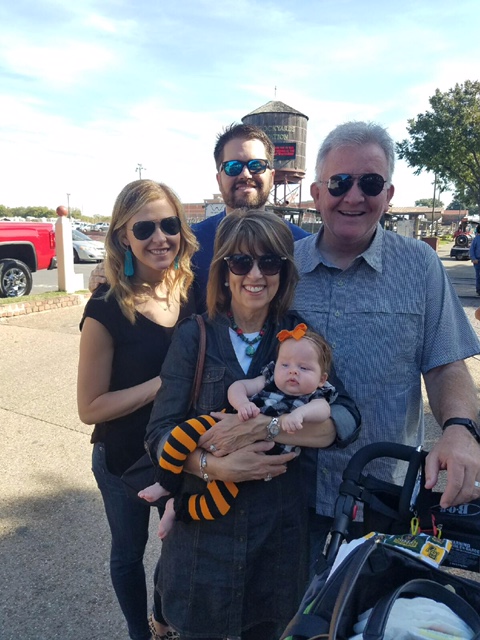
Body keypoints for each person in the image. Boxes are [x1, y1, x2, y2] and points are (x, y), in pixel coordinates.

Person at [145, 210, 361, 640]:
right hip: (205, 544)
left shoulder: (299, 337)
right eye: (241, 262)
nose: (256, 274)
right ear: (224, 271)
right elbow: (159, 433)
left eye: (270, 262)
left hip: (276, 544)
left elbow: (346, 418)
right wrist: (214, 467)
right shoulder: (195, 336)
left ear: (285, 271)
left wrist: (268, 428)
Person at [290, 120, 480, 548]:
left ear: (389, 194)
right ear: (316, 193)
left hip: (382, 499)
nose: (354, 196)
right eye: (339, 182)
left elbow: (445, 364)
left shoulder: (420, 266)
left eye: (370, 183)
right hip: (286, 496)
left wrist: (460, 429)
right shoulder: (281, 267)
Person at [77, 179, 198, 640]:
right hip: (122, 458)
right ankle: (139, 634)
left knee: (180, 549)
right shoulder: (105, 308)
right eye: (144, 228)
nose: (159, 237)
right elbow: (90, 407)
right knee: (129, 553)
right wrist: (163, 385)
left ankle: (162, 620)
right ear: (123, 237)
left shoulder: (193, 293)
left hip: (180, 455)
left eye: (169, 224)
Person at [139, 323, 337, 538]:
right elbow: (238, 387)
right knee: (181, 434)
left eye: (304, 368)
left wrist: (299, 415)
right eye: (285, 364)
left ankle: (176, 508)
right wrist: (242, 403)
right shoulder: (269, 380)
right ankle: (165, 481)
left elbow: (323, 411)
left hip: (248, 462)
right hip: (226, 424)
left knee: (217, 506)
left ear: (322, 379)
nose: (293, 371)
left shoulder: (315, 397)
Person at [88, 123, 310, 308]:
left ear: (272, 176)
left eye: (257, 165)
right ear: (219, 179)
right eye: (233, 167)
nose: (245, 174)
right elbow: (143, 273)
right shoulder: (188, 243)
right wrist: (107, 272)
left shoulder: (301, 245)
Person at [469, 224, 480, 296]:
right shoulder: (476, 239)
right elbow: (471, 250)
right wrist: (473, 258)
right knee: (478, 276)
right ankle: (479, 290)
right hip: (478, 260)